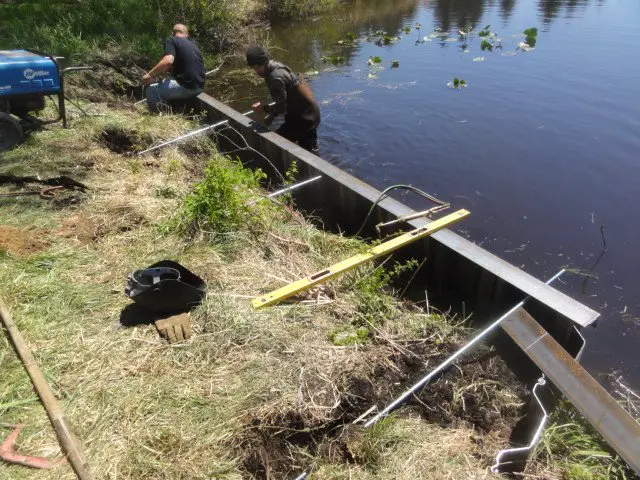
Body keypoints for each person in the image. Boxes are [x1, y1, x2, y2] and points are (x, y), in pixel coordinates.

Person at [246, 46, 321, 153]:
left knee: (275, 145)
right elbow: (283, 100)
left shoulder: (275, 78)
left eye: (258, 67)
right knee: (309, 147)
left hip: (304, 119)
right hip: (307, 113)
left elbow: (281, 108)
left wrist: (264, 109)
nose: (256, 71)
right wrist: (271, 115)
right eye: (254, 68)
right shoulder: (276, 66)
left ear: (265, 61)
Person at [143, 24, 205, 113]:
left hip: (187, 88)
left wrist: (149, 74)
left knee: (151, 91)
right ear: (186, 35)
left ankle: (157, 118)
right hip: (200, 86)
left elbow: (168, 61)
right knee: (166, 80)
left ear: (172, 33)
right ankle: (167, 109)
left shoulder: (172, 40)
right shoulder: (194, 46)